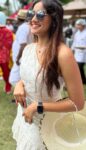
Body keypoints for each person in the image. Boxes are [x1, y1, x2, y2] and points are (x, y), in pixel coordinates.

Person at [12, 0, 85, 149]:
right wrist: (19, 85)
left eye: (40, 14)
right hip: (25, 116)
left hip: (48, 123)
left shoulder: (63, 54)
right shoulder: (28, 49)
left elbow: (77, 103)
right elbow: (29, 77)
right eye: (31, 14)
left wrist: (37, 107)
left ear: (54, 19)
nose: (33, 19)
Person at [9, 9, 33, 86]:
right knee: (23, 78)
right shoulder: (28, 26)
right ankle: (21, 97)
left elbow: (23, 45)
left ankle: (22, 96)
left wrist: (18, 58)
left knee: (13, 80)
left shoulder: (23, 28)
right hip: (25, 57)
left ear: (19, 18)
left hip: (21, 58)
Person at [72, 19, 86, 84]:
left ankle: (82, 80)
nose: (77, 26)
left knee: (79, 66)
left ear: (83, 25)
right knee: (78, 67)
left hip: (84, 53)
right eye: (77, 25)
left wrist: (82, 47)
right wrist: (72, 49)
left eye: (78, 25)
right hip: (77, 53)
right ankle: (82, 80)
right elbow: (74, 42)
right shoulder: (77, 33)